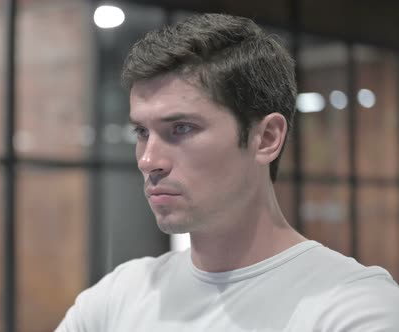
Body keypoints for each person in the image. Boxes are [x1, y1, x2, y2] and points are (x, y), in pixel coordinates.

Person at [56, 13, 399, 331]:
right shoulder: (118, 296)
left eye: (182, 128)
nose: (148, 161)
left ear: (266, 138)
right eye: (142, 133)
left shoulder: (352, 308)